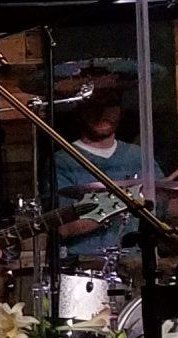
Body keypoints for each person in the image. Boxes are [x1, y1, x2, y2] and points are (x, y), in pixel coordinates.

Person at [54, 82, 142, 259]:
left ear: (120, 110)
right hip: (85, 266)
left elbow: (167, 208)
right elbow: (62, 228)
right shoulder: (63, 160)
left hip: (135, 262)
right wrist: (118, 205)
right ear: (80, 109)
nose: (102, 113)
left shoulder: (137, 155)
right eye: (94, 105)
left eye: (110, 105)